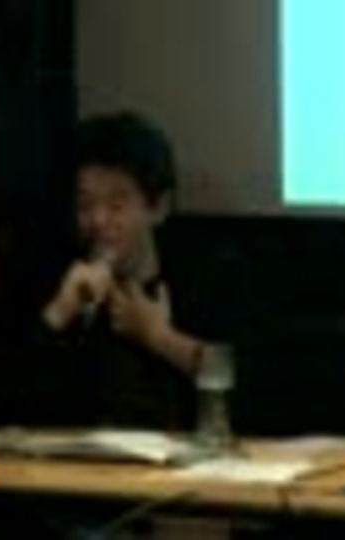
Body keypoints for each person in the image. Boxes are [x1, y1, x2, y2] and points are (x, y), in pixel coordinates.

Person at [32, 111, 250, 431]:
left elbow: (254, 385)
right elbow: (13, 400)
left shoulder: (208, 275)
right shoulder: (59, 277)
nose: (98, 221)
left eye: (116, 205)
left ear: (158, 208)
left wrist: (159, 337)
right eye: (85, 205)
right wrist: (59, 313)